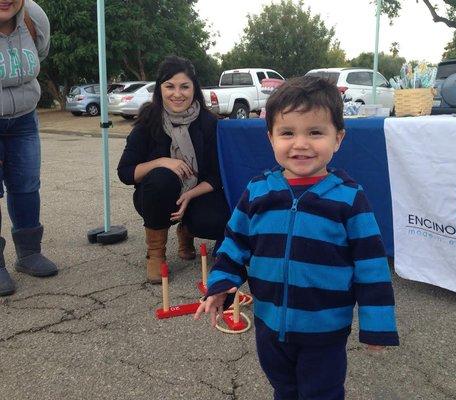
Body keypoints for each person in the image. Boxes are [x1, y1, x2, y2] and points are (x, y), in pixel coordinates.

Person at [195, 76, 399, 399]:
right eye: (287, 133)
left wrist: (377, 324)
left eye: (315, 132)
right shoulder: (258, 190)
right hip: (269, 326)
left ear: (338, 138)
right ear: (270, 137)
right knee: (284, 388)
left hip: (324, 331)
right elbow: (234, 243)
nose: (300, 143)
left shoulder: (348, 199)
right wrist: (221, 284)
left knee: (322, 392)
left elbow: (371, 266)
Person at [117, 55, 229, 284]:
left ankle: (186, 230)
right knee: (162, 178)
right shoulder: (149, 119)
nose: (177, 94)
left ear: (194, 89)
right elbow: (126, 172)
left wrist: (189, 194)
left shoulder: (209, 122)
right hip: (155, 197)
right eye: (170, 86)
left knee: (218, 219)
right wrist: (161, 162)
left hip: (196, 194)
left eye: (184, 87)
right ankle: (156, 254)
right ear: (160, 89)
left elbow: (217, 176)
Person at [0, 0, 56, 296]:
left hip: (23, 119)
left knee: (26, 185)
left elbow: (40, 54)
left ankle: (29, 253)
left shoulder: (34, 17)